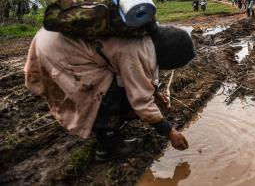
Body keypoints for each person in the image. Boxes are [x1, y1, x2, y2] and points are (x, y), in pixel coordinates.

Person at [24, 25, 194, 160]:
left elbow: (139, 78)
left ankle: (115, 120)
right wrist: (170, 131)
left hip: (51, 37)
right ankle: (108, 146)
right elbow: (141, 101)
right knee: (105, 88)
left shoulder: (145, 34)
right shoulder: (137, 51)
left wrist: (155, 93)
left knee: (118, 81)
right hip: (59, 51)